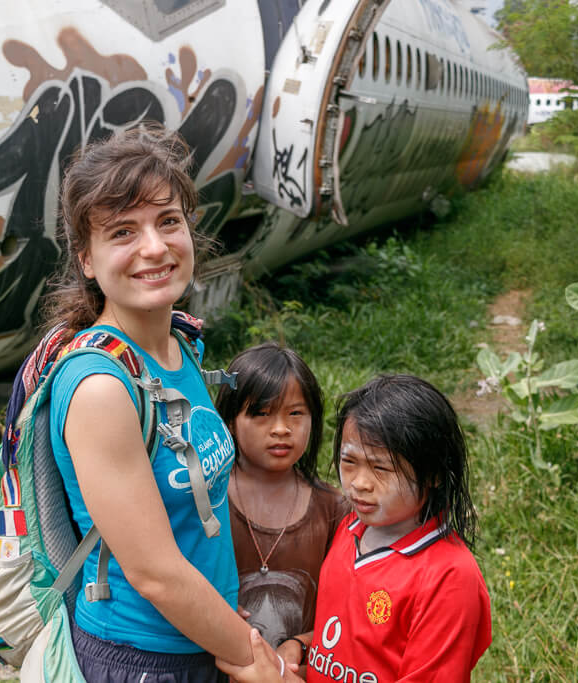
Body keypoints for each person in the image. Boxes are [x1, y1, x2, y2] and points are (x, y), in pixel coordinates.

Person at [45, 122, 266, 681]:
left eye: (168, 221)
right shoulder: (102, 388)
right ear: (87, 260)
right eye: (122, 232)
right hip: (146, 658)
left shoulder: (179, 346)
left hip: (202, 635)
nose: (154, 247)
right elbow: (154, 574)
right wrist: (257, 660)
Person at [218, 374, 492, 682]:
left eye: (381, 468)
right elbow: (352, 638)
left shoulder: (449, 578)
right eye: (349, 462)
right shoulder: (351, 528)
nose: (359, 484)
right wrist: (303, 646)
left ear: (434, 473)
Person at [214, 343, 348, 652]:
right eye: (261, 413)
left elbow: (345, 609)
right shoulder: (208, 500)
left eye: (296, 413)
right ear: (231, 420)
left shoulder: (333, 509)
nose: (281, 429)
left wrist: (301, 645)